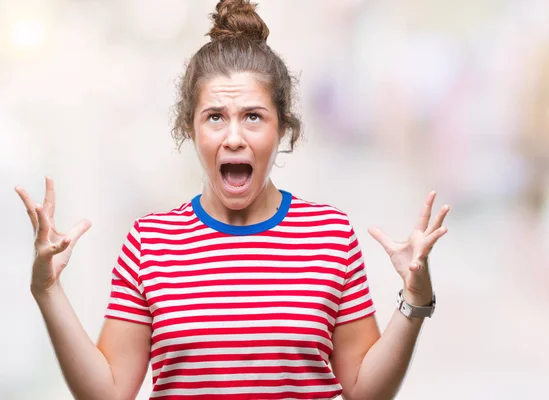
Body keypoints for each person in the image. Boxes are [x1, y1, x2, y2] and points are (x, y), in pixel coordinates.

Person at [15, 1, 449, 399]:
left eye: (254, 117)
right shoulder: (151, 242)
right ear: (192, 129)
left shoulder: (329, 236)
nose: (235, 137)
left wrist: (414, 301)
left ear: (283, 128)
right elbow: (107, 393)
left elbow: (363, 391)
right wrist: (48, 290)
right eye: (216, 117)